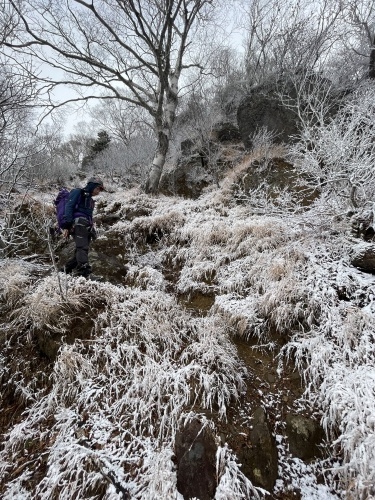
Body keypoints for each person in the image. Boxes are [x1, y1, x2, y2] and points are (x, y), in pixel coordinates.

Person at [60, 177, 105, 278]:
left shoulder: (89, 199)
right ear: (92, 186)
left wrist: (91, 228)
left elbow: (88, 216)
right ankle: (85, 275)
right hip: (77, 224)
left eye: (100, 190)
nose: (98, 192)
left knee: (81, 250)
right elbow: (69, 206)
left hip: (86, 226)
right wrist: (67, 225)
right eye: (98, 189)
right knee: (82, 248)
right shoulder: (78, 192)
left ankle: (64, 270)